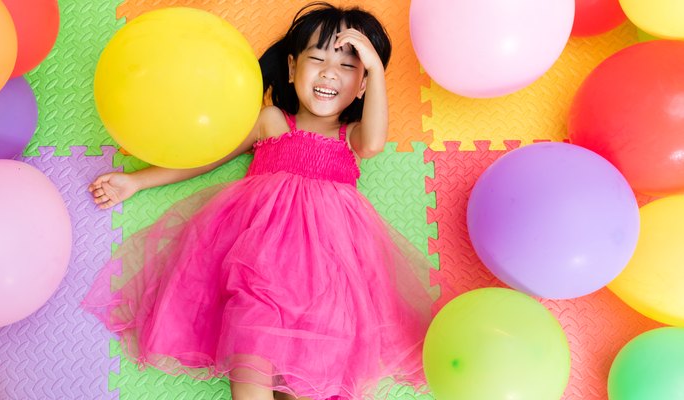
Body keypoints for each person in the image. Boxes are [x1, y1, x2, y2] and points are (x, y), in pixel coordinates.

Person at [82, 2, 439, 399]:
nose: (328, 74)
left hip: (325, 289)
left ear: (363, 85)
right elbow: (206, 156)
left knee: (303, 386)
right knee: (251, 372)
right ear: (291, 68)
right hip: (259, 273)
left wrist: (375, 68)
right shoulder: (271, 121)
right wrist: (137, 182)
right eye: (316, 59)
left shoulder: (351, 137)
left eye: (348, 67)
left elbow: (373, 143)